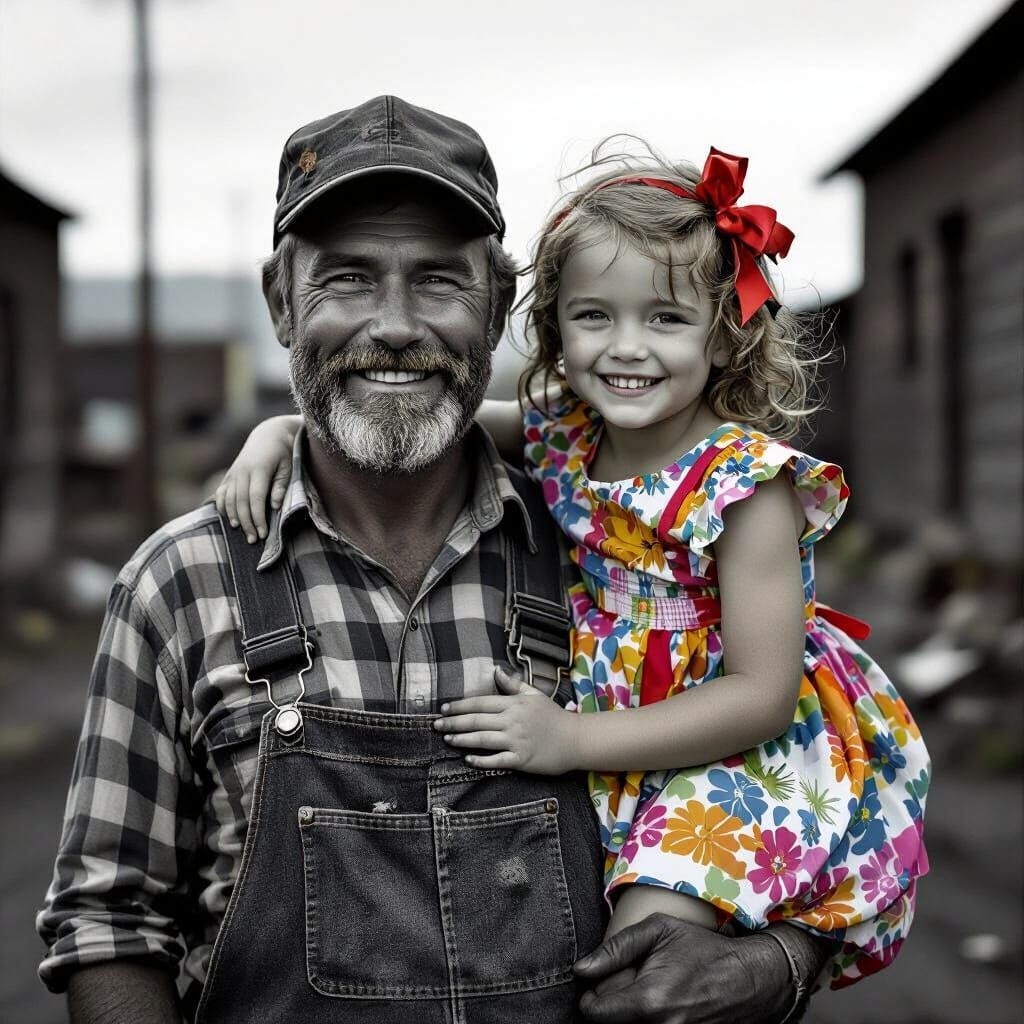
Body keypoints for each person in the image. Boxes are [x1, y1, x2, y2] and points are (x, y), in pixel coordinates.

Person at [38, 96, 838, 1024]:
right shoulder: (178, 585)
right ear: (279, 303)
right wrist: (280, 429)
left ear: (498, 307)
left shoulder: (620, 554)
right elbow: (109, 924)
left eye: (437, 283)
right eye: (345, 279)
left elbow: (792, 795)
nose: (393, 326)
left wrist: (775, 965)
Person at [217, 138, 931, 998]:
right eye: (596, 316)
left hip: (721, 748)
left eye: (665, 319)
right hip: (611, 725)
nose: (626, 348)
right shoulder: (566, 432)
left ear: (724, 329)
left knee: (638, 971)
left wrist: (571, 741)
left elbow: (760, 694)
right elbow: (413, 405)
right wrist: (280, 434)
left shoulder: (748, 487)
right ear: (555, 325)